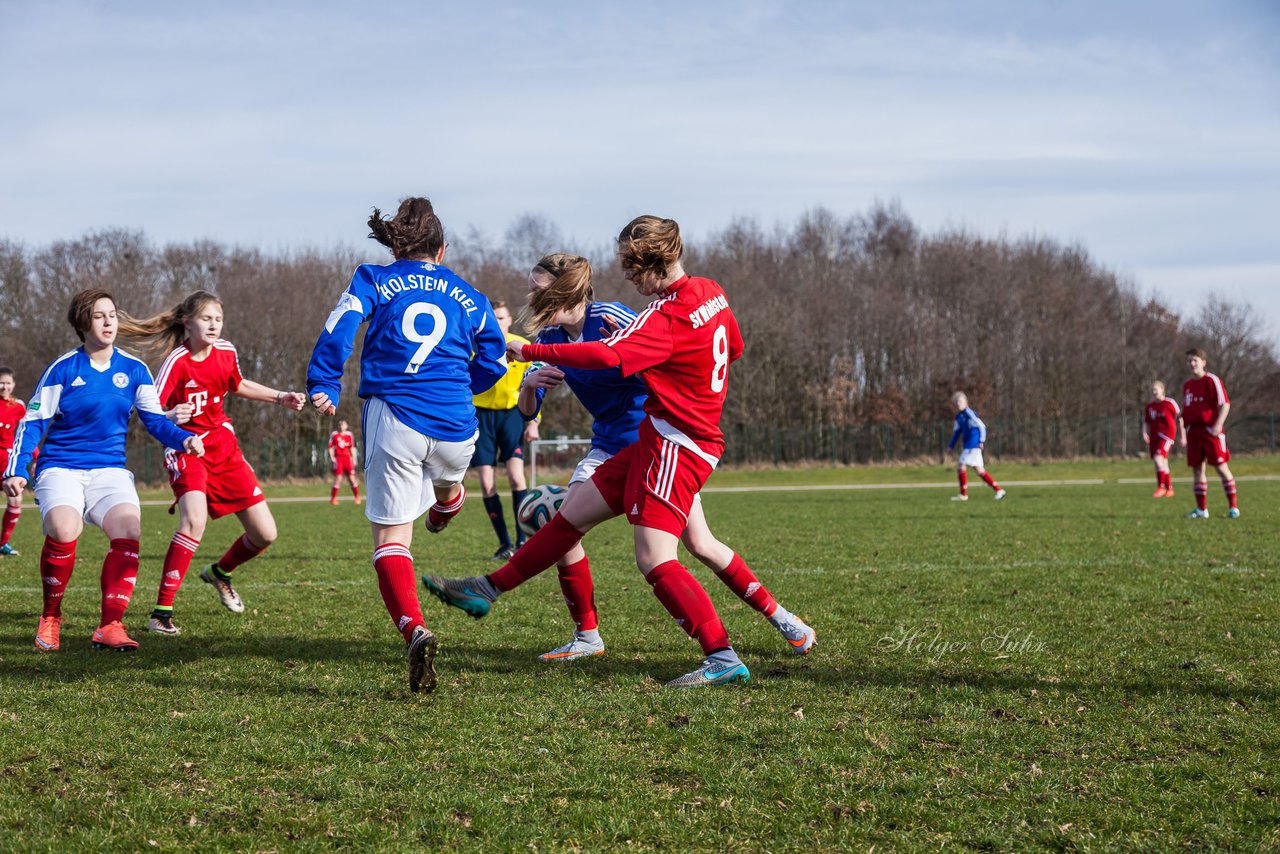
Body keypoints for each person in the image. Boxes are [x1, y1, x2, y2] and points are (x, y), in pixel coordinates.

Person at [422, 216, 759, 689]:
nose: (623, 273)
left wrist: (534, 356)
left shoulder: (660, 316)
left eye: (628, 263)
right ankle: (488, 589)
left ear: (647, 261)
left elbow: (609, 356)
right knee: (568, 519)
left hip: (674, 442)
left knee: (658, 557)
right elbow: (734, 348)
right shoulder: (709, 291)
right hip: (652, 440)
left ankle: (723, 655)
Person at [482, 252, 814, 662]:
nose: (530, 297)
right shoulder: (548, 341)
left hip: (656, 445)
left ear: (564, 290)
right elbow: (530, 411)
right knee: (565, 525)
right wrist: (530, 386)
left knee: (700, 544)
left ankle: (780, 621)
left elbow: (648, 361)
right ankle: (587, 635)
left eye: (538, 289)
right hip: (609, 446)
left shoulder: (610, 315)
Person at [307, 196, 508, 693]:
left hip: (396, 417)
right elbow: (495, 359)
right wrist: (463, 383)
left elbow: (341, 326)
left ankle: (414, 628)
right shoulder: (470, 294)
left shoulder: (374, 278)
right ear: (442, 250)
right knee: (447, 473)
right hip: (459, 426)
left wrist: (324, 382)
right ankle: (450, 495)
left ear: (397, 247)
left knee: (391, 541)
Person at [2, 289, 204, 652]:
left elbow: (156, 421)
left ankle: (110, 625)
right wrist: (16, 469)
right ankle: (50, 616)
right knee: (64, 529)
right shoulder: (63, 368)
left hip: (109, 470)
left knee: (129, 529)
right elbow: (33, 422)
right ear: (83, 323)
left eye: (112, 314)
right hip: (60, 468)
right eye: (99, 315)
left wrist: (183, 438)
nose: (109, 321)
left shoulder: (134, 369)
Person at [118, 290, 306, 635]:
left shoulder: (227, 351)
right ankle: (161, 613)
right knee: (194, 521)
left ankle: (220, 573)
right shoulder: (176, 362)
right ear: (187, 323)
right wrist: (172, 415)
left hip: (224, 447)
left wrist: (281, 397)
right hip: (186, 449)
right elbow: (147, 411)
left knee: (265, 534)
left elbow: (238, 384)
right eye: (206, 318)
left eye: (218, 319)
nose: (214, 324)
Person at [470, 300, 538, 560]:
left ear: (509, 320)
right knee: (487, 483)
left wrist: (533, 422)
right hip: (481, 416)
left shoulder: (523, 347)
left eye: (502, 318)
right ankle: (504, 544)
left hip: (512, 414)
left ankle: (522, 540)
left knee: (516, 478)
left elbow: (535, 387)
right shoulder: (475, 346)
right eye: (493, 318)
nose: (497, 322)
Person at [1180, 348, 1239, 519]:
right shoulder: (1187, 385)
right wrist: (1184, 431)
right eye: (1189, 361)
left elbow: (1225, 404)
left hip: (1211, 432)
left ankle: (1233, 507)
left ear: (1203, 362)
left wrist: (1217, 425)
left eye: (1195, 360)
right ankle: (1201, 509)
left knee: (1221, 468)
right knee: (1198, 470)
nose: (1191, 364)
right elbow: (1187, 411)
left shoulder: (1212, 380)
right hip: (1194, 433)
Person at [946, 392, 1006, 501]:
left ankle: (963, 495)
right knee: (979, 470)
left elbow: (982, 426)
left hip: (972, 445)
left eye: (960, 401)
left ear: (966, 402)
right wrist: (951, 446)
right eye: (956, 402)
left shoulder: (969, 413)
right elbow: (957, 432)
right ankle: (999, 490)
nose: (958, 404)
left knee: (961, 466)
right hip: (968, 446)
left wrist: (981, 440)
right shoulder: (959, 417)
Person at [0, 367, 27, 556]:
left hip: (8, 459)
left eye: (8, 382)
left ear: (14, 384)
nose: (4, 386)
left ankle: (3, 543)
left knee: (16, 498)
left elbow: (25, 433)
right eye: (1, 382)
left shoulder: (18, 406)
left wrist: (36, 456)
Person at [1141, 380, 1180, 498]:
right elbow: (1146, 422)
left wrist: (1183, 435)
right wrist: (1144, 433)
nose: (1153, 392)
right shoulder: (1150, 406)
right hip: (1155, 436)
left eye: (1155, 389)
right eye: (1152, 390)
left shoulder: (1169, 403)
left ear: (1162, 390)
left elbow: (1180, 418)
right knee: (1163, 463)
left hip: (1167, 435)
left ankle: (1161, 487)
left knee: (1158, 459)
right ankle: (1170, 489)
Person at [328, 419, 361, 505]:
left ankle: (357, 497)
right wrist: (332, 457)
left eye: (343, 424)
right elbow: (330, 447)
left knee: (352, 478)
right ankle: (333, 499)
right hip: (338, 459)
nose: (341, 426)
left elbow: (352, 447)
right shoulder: (334, 434)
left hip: (347, 459)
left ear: (346, 426)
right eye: (339, 424)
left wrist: (354, 459)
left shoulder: (349, 435)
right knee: (338, 478)